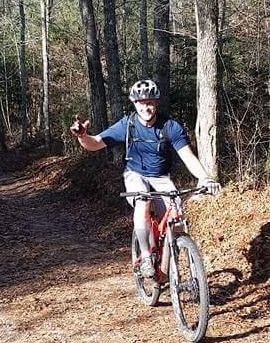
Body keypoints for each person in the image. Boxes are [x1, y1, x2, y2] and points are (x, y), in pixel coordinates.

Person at [70, 79, 221, 278]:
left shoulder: (170, 127)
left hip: (161, 177)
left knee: (176, 218)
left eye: (150, 102)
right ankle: (147, 256)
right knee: (143, 201)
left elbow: (188, 157)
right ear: (135, 103)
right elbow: (95, 143)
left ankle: (168, 265)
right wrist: (82, 136)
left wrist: (205, 178)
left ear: (156, 103)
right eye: (141, 103)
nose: (146, 107)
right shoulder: (128, 124)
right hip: (136, 174)